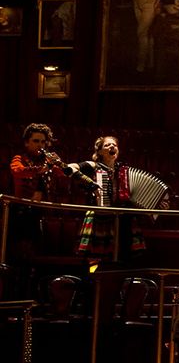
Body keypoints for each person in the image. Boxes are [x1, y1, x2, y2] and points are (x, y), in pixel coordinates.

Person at [69, 136, 163, 264]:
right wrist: (89, 182)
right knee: (97, 259)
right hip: (100, 217)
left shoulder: (124, 170)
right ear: (100, 151)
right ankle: (96, 275)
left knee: (123, 257)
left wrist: (156, 204)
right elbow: (70, 167)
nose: (112, 146)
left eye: (114, 145)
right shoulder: (93, 166)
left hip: (122, 219)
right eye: (107, 145)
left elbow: (135, 193)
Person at [8, 123, 64, 297]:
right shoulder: (19, 158)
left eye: (43, 142)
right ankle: (16, 295)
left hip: (41, 213)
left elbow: (63, 176)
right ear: (27, 143)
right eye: (36, 141)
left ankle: (34, 294)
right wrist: (41, 169)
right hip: (21, 213)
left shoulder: (48, 160)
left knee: (38, 256)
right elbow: (17, 171)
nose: (40, 145)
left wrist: (58, 164)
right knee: (20, 256)